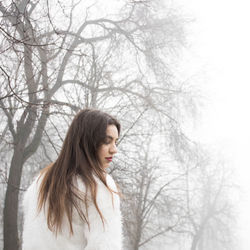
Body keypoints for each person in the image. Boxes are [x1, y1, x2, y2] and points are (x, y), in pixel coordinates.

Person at [22, 109, 123, 250]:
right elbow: (105, 246)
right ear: (87, 141)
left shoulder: (40, 183)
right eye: (107, 141)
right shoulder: (98, 186)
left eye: (115, 142)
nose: (114, 149)